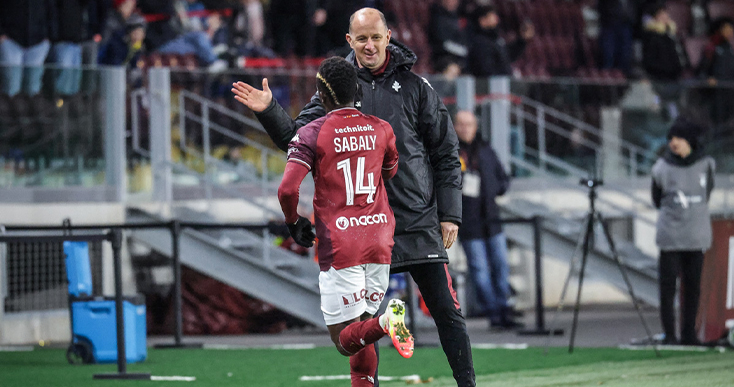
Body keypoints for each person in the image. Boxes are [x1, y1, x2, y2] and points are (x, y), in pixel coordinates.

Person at [232, 7, 475, 386]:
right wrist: (270, 112)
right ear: (350, 41)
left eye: (376, 37)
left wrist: (450, 214)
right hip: (369, 226)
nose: (370, 45)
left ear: (388, 36)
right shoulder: (336, 88)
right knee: (363, 328)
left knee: (446, 312)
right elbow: (299, 138)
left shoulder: (416, 87)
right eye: (361, 38)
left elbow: (445, 152)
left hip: (415, 221)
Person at [277, 56, 412, 386]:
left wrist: (294, 221)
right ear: (357, 92)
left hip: (341, 245)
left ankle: (386, 323)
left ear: (322, 96)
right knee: (360, 337)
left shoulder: (312, 132)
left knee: (344, 340)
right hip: (380, 239)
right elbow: (390, 171)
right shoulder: (381, 128)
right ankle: (379, 327)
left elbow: (287, 189)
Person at [454, 110, 521, 330]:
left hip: (492, 219)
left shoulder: (486, 149)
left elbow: (503, 178)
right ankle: (494, 313)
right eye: (461, 124)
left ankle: (504, 308)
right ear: (455, 126)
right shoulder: (451, 152)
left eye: (469, 124)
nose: (465, 129)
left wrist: (495, 189)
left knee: (501, 265)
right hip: (468, 221)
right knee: (480, 270)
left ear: (476, 126)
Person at [651, 117, 715, 345]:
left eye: (678, 138)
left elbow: (707, 192)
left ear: (690, 140)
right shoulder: (661, 167)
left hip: (696, 235)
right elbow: (657, 200)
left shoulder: (706, 164)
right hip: (670, 236)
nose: (673, 143)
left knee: (693, 288)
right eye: (671, 138)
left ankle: (689, 334)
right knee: (668, 289)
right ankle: (669, 334)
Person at [0, 0, 56, 97]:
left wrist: (49, 36)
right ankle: (10, 112)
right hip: (11, 40)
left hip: (38, 42)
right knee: (11, 87)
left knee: (33, 88)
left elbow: (52, 10)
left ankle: (31, 112)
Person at [467, 5, 533, 77]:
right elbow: (487, 71)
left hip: (502, 84)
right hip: (493, 86)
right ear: (483, 21)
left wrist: (522, 40)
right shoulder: (480, 43)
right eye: (492, 16)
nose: (497, 19)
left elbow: (507, 55)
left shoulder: (495, 40)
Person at [428, 0, 468, 75]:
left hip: (460, 58)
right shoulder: (438, 19)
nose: (453, 2)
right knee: (452, 70)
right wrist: (463, 51)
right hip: (442, 58)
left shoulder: (458, 18)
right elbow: (442, 43)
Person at [598, 0, 637, 75]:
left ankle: (623, 76)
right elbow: (602, 7)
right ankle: (607, 78)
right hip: (610, 25)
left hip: (627, 25)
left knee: (625, 54)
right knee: (608, 54)